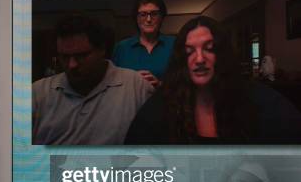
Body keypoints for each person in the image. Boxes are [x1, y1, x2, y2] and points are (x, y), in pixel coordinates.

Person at [125, 16, 301, 144]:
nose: (199, 59)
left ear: (222, 54)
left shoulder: (266, 103)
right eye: (189, 51)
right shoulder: (159, 106)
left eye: (209, 48)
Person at [32, 14, 153, 145]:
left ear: (102, 50)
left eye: (82, 56)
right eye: (65, 57)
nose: (72, 65)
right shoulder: (38, 93)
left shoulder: (135, 86)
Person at [112, 0, 175, 87]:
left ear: (161, 17)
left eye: (154, 14)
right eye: (143, 14)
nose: (149, 19)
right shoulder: (122, 48)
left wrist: (160, 85)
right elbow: (112, 84)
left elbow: (184, 81)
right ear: (136, 18)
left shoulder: (174, 44)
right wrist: (131, 80)